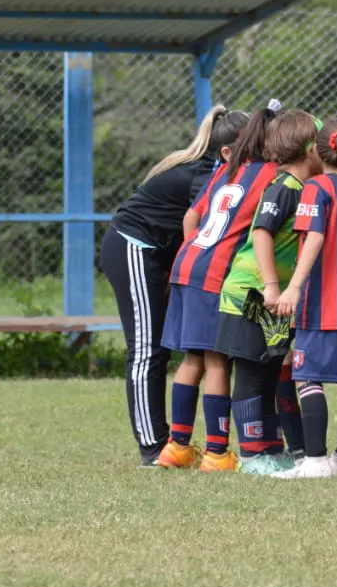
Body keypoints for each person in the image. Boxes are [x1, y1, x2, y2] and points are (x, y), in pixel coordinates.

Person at [99, 106, 249, 467]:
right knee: (147, 349)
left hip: (164, 256)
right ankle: (153, 447)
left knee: (169, 349)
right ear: (228, 151)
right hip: (135, 247)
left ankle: (172, 444)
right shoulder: (206, 175)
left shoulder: (218, 172)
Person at [156, 103, 280, 471]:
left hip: (186, 266)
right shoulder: (271, 174)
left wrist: (199, 248)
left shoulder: (225, 172)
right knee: (217, 362)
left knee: (191, 359)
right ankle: (216, 452)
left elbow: (191, 216)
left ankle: (177, 446)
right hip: (215, 276)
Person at [214, 109, 322, 475]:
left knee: (271, 372)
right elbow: (261, 233)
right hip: (249, 296)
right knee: (251, 376)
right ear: (310, 149)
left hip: (272, 302)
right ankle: (250, 454)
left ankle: (270, 449)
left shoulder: (306, 188)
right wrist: (273, 287)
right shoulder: (283, 188)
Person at [272, 117, 337, 478]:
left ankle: (314, 461)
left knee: (307, 377)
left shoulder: (316, 188)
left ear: (316, 150)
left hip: (322, 302)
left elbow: (313, 238)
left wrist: (295, 286)